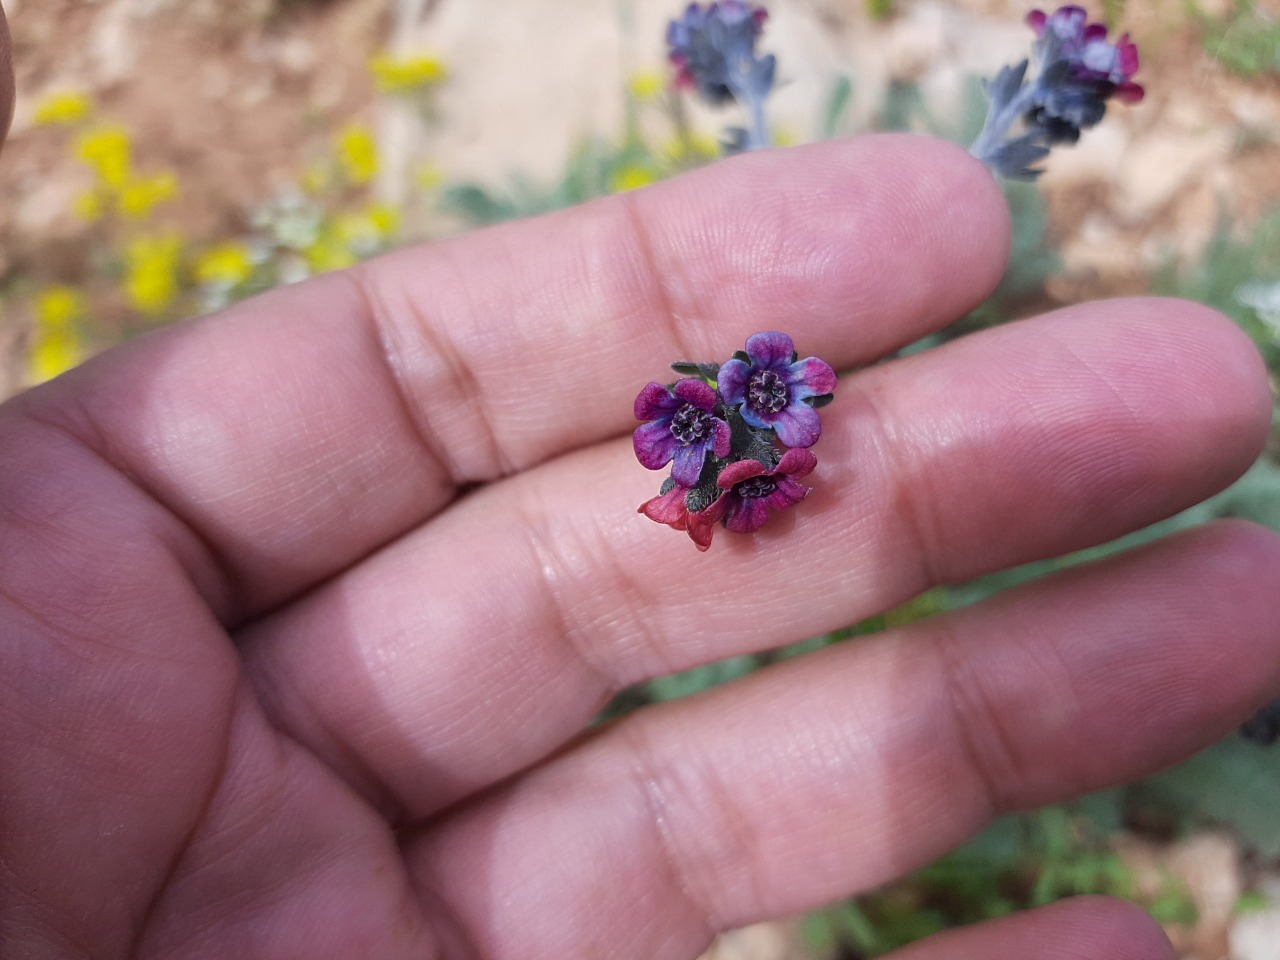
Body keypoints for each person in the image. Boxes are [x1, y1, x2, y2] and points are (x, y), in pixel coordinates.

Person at [2, 12, 1278, 960]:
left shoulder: (739, 423)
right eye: (727, 417)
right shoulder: (721, 425)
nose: (739, 418)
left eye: (746, 413)